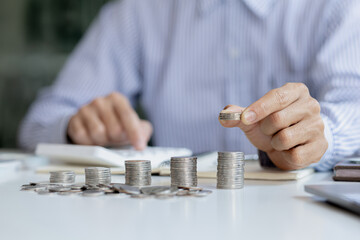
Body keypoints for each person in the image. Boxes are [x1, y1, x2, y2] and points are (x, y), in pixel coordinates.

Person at [19, 0, 360, 171]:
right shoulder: (137, 11)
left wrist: (321, 136)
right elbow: (38, 123)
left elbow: (354, 107)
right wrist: (76, 130)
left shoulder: (336, 6)